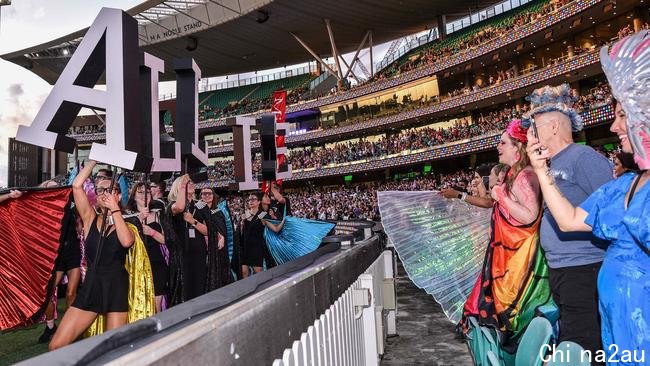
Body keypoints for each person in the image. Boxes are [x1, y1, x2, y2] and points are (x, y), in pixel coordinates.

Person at [527, 31, 650, 364]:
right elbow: (569, 219)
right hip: (616, 326)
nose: (613, 126)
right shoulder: (623, 188)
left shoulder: (584, 159)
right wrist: (540, 171)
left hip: (604, 290)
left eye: (622, 115)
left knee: (581, 341)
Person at [521, 83, 612, 356]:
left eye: (534, 128)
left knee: (582, 343)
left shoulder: (584, 158)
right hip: (561, 269)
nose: (529, 136)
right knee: (571, 336)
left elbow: (609, 211)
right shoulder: (549, 164)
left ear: (552, 128)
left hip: (585, 268)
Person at [461, 119, 554, 353]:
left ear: (518, 147)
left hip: (521, 258)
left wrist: (500, 195)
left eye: (503, 143)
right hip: (508, 255)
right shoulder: (516, 174)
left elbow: (529, 215)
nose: (498, 148)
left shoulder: (526, 175)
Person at [49, 161, 149, 350]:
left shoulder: (128, 223)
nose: (102, 194)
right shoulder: (89, 218)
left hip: (116, 287)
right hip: (92, 286)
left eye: (107, 190)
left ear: (118, 195)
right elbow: (77, 186)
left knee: (115, 351)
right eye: (99, 190)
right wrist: (94, 160)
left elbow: (127, 241)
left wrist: (115, 208)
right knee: (56, 345)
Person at [39, 180, 82, 343]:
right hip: (55, 256)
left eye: (57, 186)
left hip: (73, 253)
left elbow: (79, 227)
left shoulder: (71, 206)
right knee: (47, 293)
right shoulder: (42, 209)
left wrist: (80, 225)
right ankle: (51, 327)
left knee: (71, 293)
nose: (56, 189)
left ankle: (70, 329)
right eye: (51, 187)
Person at [167, 175, 211, 302]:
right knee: (184, 289)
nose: (190, 184)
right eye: (187, 183)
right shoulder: (172, 206)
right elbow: (180, 207)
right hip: (182, 254)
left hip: (199, 252)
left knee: (199, 287)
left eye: (191, 182)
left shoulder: (201, 206)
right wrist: (182, 186)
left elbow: (208, 231)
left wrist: (193, 221)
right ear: (178, 187)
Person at [126, 182, 168, 313]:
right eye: (140, 192)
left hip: (157, 264)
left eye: (147, 192)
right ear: (133, 196)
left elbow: (166, 240)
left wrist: (152, 232)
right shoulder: (126, 217)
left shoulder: (158, 215)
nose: (145, 195)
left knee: (157, 305)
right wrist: (138, 219)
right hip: (138, 266)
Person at [200, 187, 233, 289]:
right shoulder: (197, 212)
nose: (207, 195)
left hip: (217, 248)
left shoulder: (218, 212)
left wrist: (222, 237)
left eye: (209, 193)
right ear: (200, 196)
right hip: (202, 247)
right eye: (204, 193)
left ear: (213, 196)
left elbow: (222, 230)